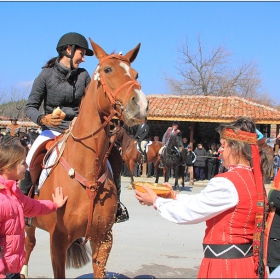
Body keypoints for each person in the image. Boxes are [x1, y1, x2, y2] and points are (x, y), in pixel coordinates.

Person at [135, 117, 269, 279]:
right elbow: (203, 202)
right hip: (245, 265)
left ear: (236, 149)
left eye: (223, 145)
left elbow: (191, 212)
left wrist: (156, 201)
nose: (220, 150)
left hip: (225, 268)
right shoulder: (253, 180)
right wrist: (173, 196)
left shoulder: (227, 182)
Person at [22, 32, 128, 223]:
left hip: (80, 130)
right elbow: (30, 107)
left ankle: (117, 205)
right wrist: (43, 118)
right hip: (51, 130)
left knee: (112, 156)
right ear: (69, 50)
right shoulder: (45, 75)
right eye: (81, 53)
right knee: (30, 159)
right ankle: (25, 204)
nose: (83, 58)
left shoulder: (84, 76)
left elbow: (93, 103)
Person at [0, 138, 68, 279]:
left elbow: (33, 206)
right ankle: (32, 188)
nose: (26, 166)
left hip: (13, 266)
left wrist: (54, 205)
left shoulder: (14, 192)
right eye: (22, 163)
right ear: (7, 168)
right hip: (3, 270)